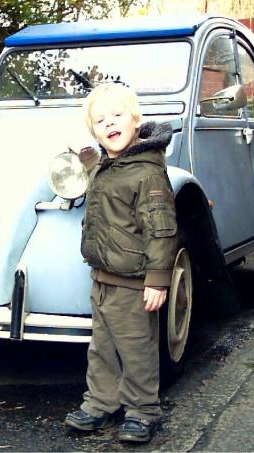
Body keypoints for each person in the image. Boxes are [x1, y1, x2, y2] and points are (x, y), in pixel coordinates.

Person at [64, 83, 178, 443]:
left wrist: (158, 279)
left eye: (117, 115)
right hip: (103, 277)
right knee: (102, 347)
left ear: (136, 120)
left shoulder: (147, 172)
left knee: (136, 347)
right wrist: (83, 156)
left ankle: (143, 410)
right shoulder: (110, 166)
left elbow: (161, 229)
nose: (109, 123)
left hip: (134, 281)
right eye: (100, 121)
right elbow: (98, 170)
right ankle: (100, 403)